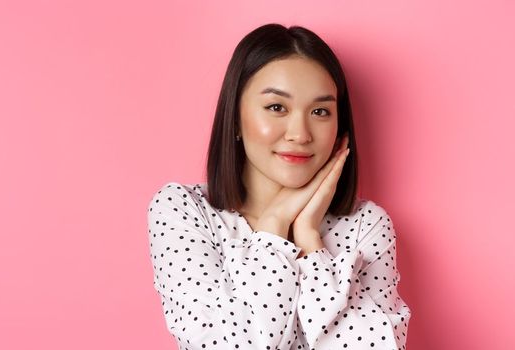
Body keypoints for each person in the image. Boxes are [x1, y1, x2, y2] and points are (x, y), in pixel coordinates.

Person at [146, 23, 411, 350]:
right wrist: (273, 227)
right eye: (276, 107)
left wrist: (311, 243)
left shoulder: (365, 226)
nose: (300, 133)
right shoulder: (182, 210)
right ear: (235, 119)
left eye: (320, 111)